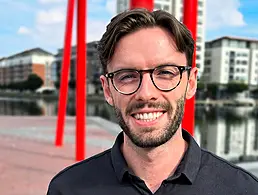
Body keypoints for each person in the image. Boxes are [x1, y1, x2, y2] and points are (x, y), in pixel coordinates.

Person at [47, 9, 258, 195]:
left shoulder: (242, 189)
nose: (146, 93)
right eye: (127, 76)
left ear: (191, 83)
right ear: (107, 90)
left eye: (165, 72)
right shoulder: (67, 189)